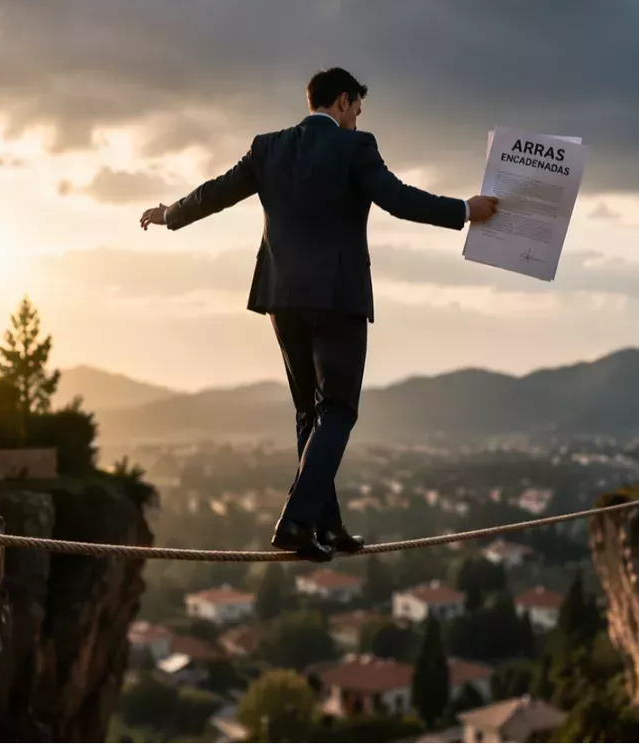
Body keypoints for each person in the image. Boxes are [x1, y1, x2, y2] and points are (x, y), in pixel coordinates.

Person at [140, 67, 499, 561]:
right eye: (357, 110)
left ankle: (324, 527)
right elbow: (398, 200)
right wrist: (465, 210)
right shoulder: (356, 147)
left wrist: (170, 214)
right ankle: (296, 521)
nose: (357, 120)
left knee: (310, 412)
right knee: (339, 409)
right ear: (343, 101)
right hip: (337, 297)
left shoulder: (268, 148)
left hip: (281, 298)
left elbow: (217, 191)